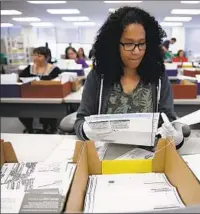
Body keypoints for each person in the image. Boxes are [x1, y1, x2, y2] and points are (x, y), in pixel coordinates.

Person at [74, 7, 183, 148]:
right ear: (114, 44)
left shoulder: (158, 77)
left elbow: (169, 121)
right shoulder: (98, 76)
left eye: (141, 43)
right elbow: (80, 121)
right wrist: (88, 129)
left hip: (148, 159)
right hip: (105, 159)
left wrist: (175, 137)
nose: (136, 51)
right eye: (129, 43)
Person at [19, 46, 61, 133]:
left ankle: (50, 128)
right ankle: (30, 129)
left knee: (48, 112)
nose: (35, 58)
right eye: (34, 55)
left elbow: (58, 83)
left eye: (39, 56)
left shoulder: (54, 69)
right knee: (21, 111)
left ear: (47, 57)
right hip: (29, 97)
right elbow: (20, 80)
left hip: (49, 98)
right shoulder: (29, 68)